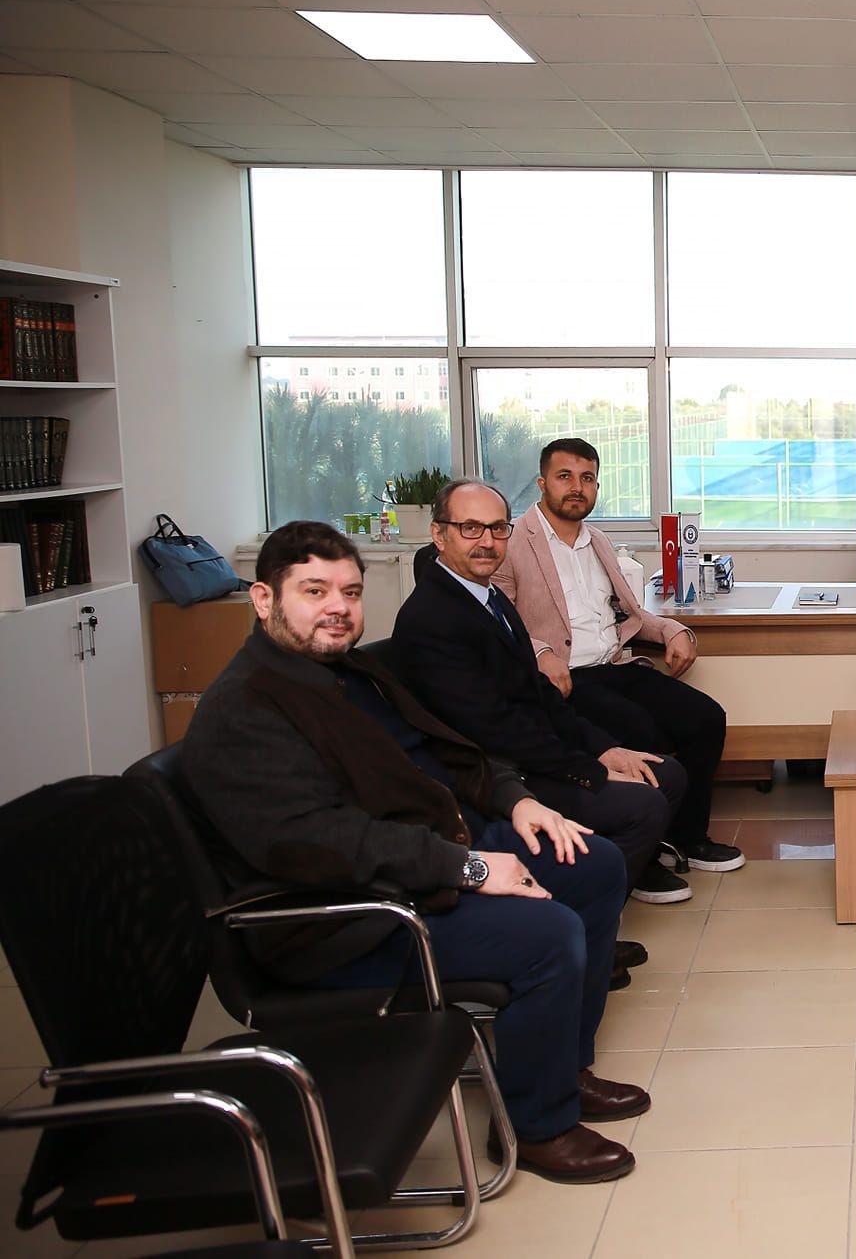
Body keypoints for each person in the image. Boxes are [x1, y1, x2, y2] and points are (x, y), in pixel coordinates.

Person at [181, 521, 647, 1184]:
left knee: (593, 865)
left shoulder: (350, 672)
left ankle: (562, 1067)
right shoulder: (246, 710)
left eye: (349, 591)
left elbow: (445, 749)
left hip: (431, 849)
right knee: (549, 934)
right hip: (351, 918)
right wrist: (472, 868)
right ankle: (538, 1124)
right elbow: (325, 844)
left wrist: (515, 799)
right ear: (264, 598)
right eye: (314, 590)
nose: (338, 607)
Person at [391, 480, 689, 906]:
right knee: (643, 804)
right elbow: (493, 730)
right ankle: (579, 919)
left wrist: (605, 750)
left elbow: (542, 696)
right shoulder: (431, 618)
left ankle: (600, 906)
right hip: (494, 775)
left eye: (498, 529)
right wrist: (590, 770)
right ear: (439, 534)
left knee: (667, 774)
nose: (487, 542)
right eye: (470, 528)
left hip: (528, 753)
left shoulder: (489, 597)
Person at [495, 437, 742, 887]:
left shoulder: (598, 541)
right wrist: (541, 652)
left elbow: (629, 612)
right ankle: (641, 855)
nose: (577, 487)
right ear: (542, 483)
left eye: (587, 478)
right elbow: (497, 622)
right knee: (640, 732)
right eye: (565, 476)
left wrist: (672, 630)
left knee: (706, 717)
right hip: (566, 679)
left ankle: (687, 837)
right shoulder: (512, 542)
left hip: (614, 666)